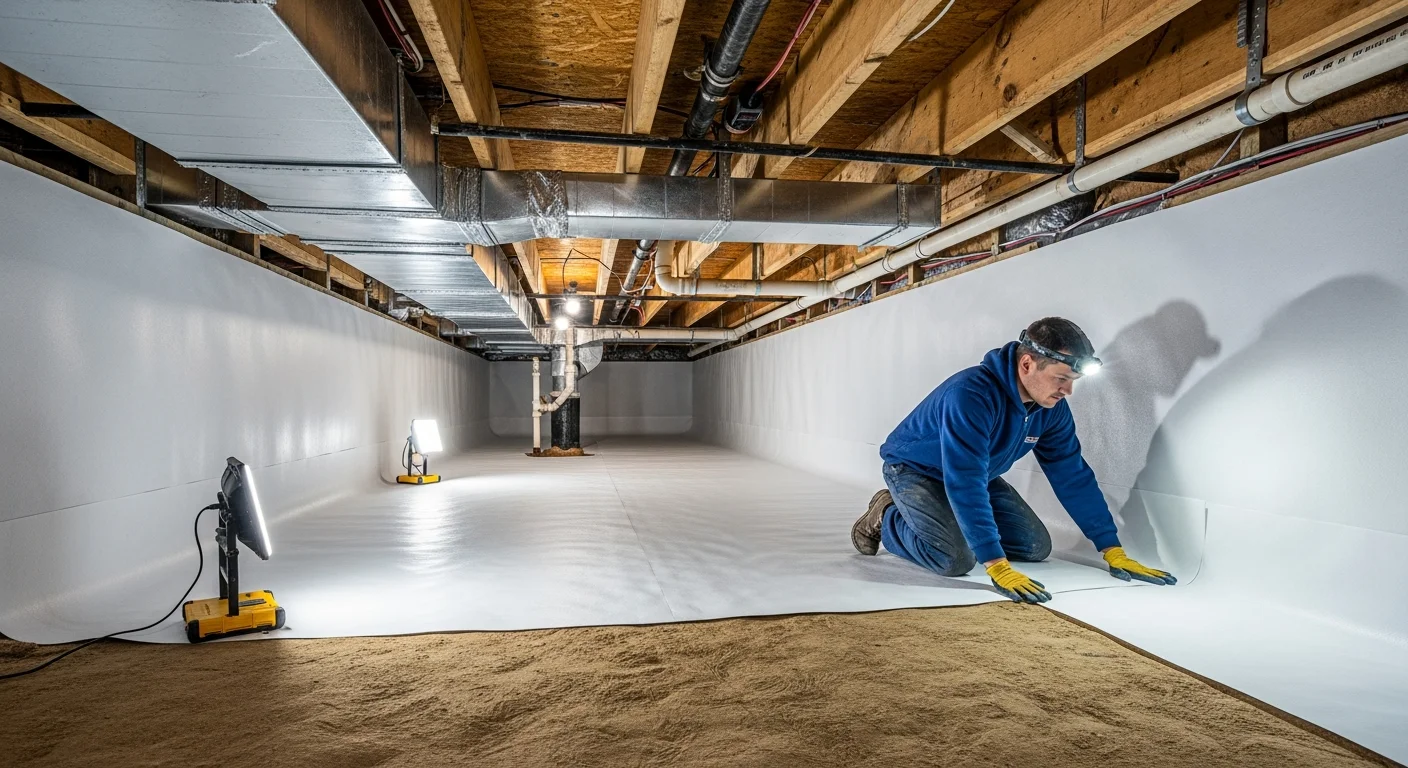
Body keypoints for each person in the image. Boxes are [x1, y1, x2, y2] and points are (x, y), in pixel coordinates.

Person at [850, 317, 1176, 603]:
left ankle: (941, 522)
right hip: (916, 470)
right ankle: (887, 514)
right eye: (1061, 379)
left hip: (980, 473)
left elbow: (1072, 475)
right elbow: (964, 479)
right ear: (1027, 365)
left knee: (1035, 548)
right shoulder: (971, 395)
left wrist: (1110, 547)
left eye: (1072, 382)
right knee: (954, 559)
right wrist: (995, 564)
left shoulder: (1050, 410)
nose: (1067, 391)